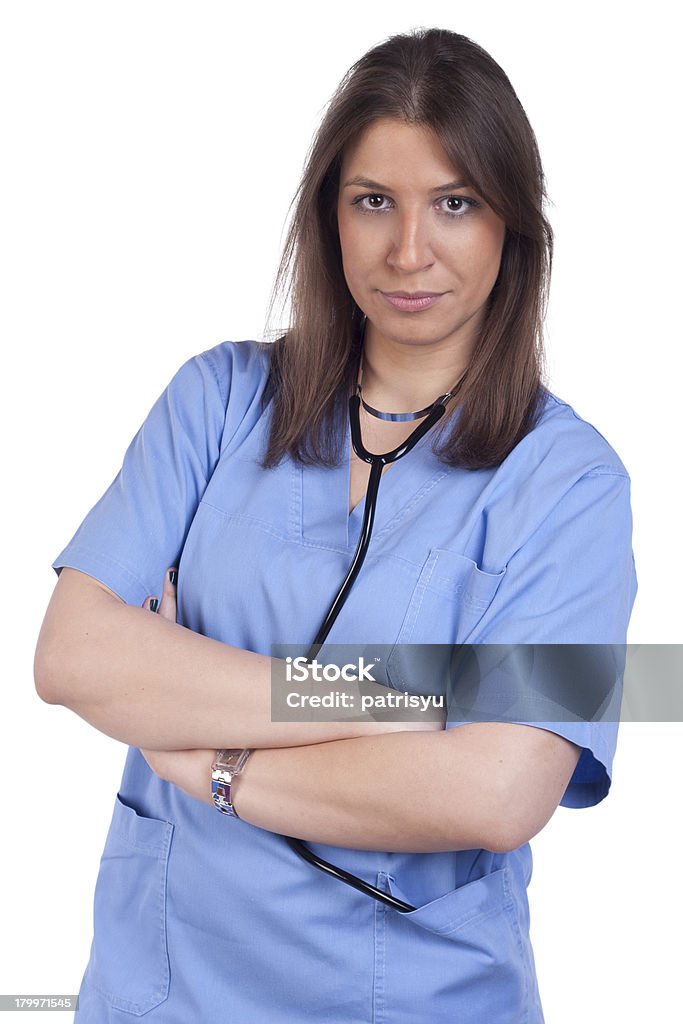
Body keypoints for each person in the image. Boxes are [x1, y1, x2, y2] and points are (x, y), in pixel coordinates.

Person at [34, 27, 637, 1024]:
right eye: (373, 202)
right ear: (329, 217)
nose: (408, 250)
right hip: (161, 989)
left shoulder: (573, 483)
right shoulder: (216, 401)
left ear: (510, 228)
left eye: (453, 203)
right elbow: (71, 656)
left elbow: (496, 790)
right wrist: (409, 690)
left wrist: (212, 761)